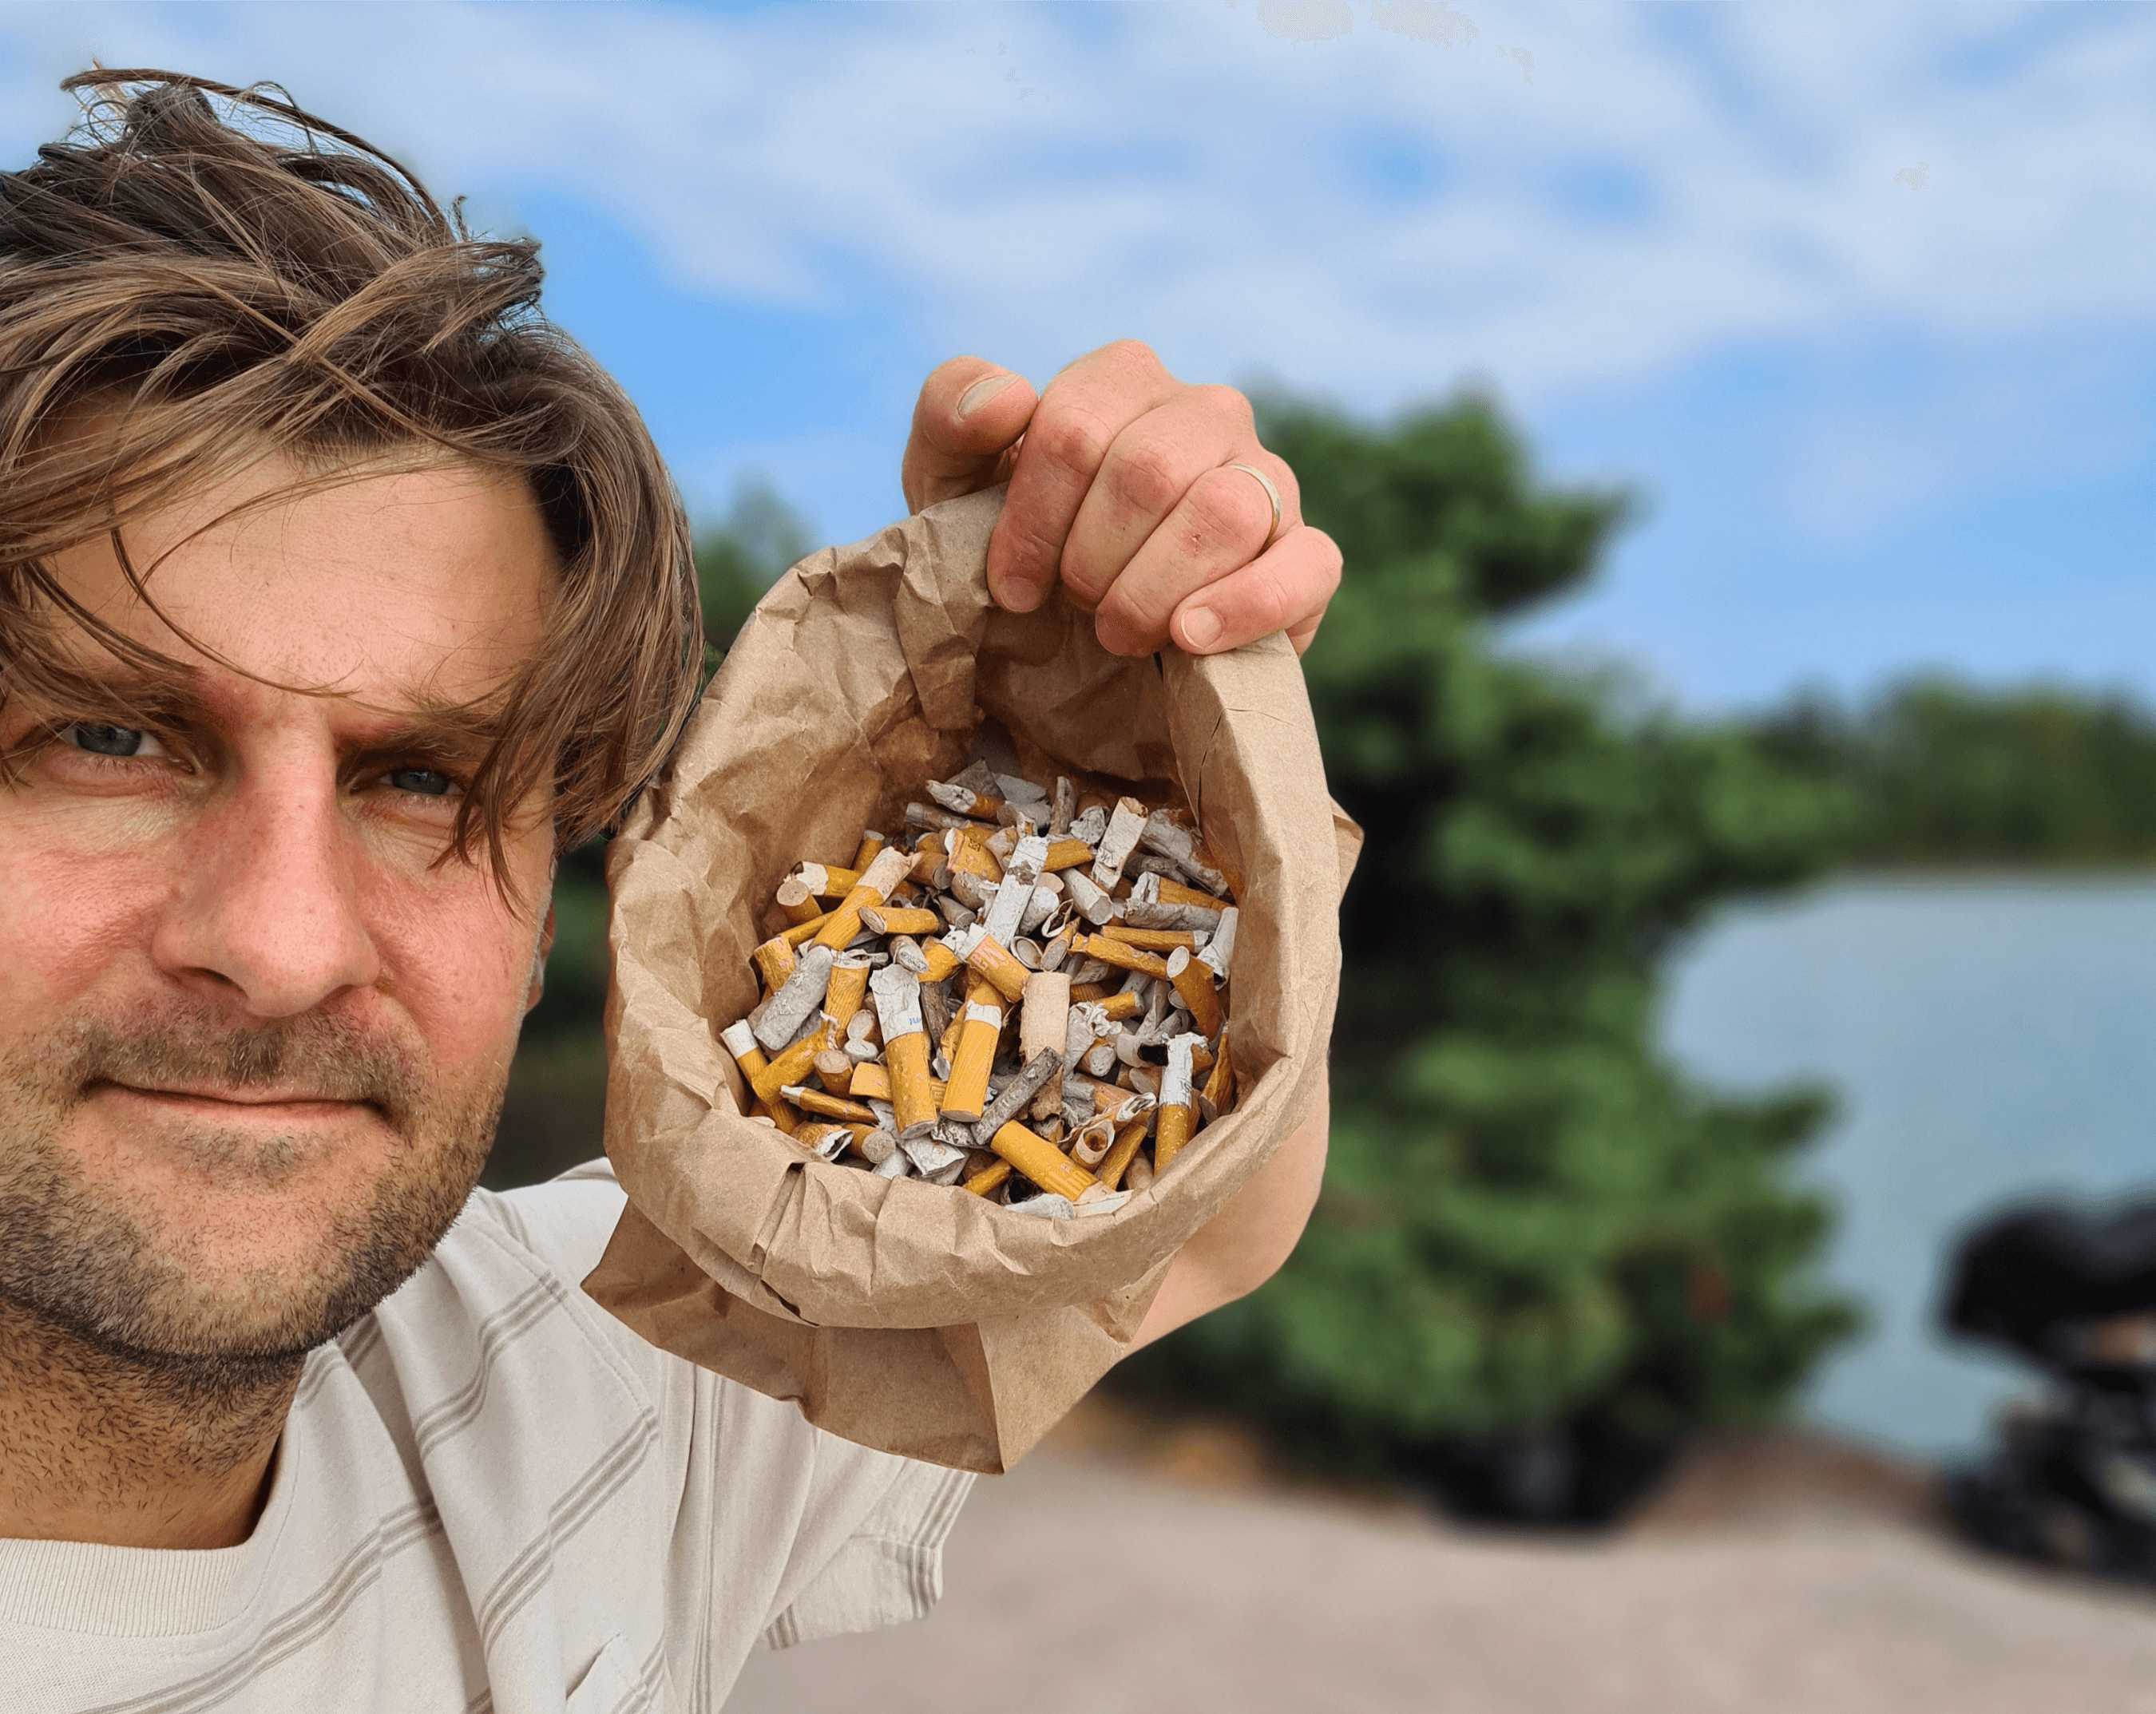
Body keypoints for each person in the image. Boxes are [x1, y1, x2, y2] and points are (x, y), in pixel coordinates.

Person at [0, 71, 1342, 1710]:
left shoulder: (588, 1373)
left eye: (422, 776)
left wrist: (1172, 672)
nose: (283, 946)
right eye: (108, 738)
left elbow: (1196, 1225)